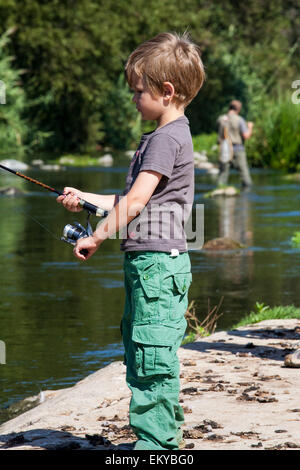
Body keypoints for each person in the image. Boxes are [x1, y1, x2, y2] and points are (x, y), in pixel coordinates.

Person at [56, 32, 205, 450]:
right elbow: (128, 199)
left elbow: (135, 203)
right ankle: (161, 437)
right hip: (153, 265)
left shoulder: (164, 139)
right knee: (146, 348)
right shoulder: (172, 135)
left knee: (151, 354)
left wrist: (97, 237)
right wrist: (84, 198)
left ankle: (155, 448)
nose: (134, 99)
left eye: (138, 92)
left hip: (156, 267)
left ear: (167, 91)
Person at [217, 100, 253, 188]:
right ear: (238, 109)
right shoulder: (239, 119)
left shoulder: (221, 119)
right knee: (245, 176)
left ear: (229, 107)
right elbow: (246, 136)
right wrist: (250, 127)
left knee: (223, 174)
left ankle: (221, 192)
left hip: (224, 148)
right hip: (238, 149)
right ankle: (246, 195)